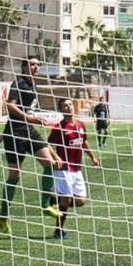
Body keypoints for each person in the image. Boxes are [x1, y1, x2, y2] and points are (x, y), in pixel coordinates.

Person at [0, 60, 52, 232]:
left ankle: (45, 205)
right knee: (15, 176)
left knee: (51, 164)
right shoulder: (19, 82)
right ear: (24, 67)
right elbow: (10, 104)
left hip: (29, 130)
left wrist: (31, 119)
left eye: (38, 64)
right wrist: (28, 119)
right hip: (15, 133)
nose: (36, 67)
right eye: (32, 64)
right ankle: (3, 216)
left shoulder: (33, 84)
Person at [44, 101, 99, 240]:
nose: (68, 107)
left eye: (70, 104)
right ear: (61, 110)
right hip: (63, 169)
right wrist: (56, 157)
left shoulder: (80, 124)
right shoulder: (59, 127)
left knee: (80, 201)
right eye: (65, 106)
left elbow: (84, 142)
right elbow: (47, 144)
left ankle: (54, 199)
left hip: (77, 168)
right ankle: (59, 230)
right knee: (67, 200)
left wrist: (93, 157)